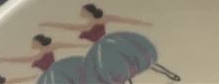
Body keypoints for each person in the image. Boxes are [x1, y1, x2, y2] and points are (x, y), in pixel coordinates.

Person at [37, 5, 179, 82]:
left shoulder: (98, 21)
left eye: (83, 13)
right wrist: (51, 24)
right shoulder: (88, 25)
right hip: (104, 51)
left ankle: (170, 74)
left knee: (132, 62)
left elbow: (122, 20)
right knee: (122, 70)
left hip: (109, 48)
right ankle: (169, 74)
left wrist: (145, 23)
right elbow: (69, 28)